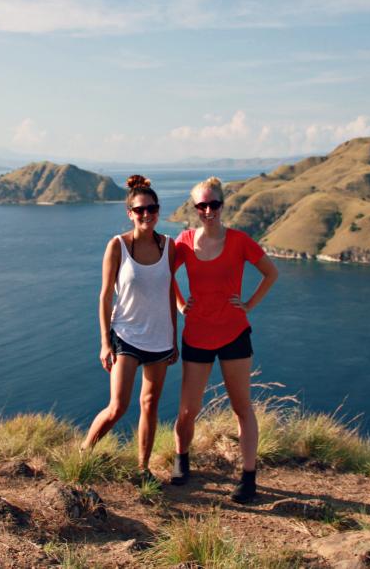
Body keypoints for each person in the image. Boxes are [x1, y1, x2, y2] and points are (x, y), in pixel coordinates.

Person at [170, 176, 279, 502]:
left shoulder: (240, 241)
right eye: (200, 205)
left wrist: (247, 304)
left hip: (234, 333)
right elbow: (166, 275)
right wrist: (179, 303)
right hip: (197, 335)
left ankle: (248, 477)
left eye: (213, 204)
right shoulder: (185, 242)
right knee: (188, 409)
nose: (207, 210)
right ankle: (181, 458)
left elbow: (270, 273)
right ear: (194, 208)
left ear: (222, 205)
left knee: (241, 407)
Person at [81, 175, 178, 477]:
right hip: (126, 336)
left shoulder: (169, 246)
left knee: (149, 405)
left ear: (158, 210)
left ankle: (143, 468)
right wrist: (104, 343)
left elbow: (169, 293)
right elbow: (105, 295)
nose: (146, 215)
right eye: (140, 210)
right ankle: (84, 453)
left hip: (160, 339)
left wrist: (175, 339)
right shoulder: (117, 246)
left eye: (152, 209)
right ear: (130, 213)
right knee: (117, 407)